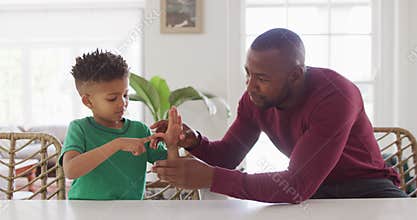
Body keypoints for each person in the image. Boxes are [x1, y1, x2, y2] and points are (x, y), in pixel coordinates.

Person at [151, 28, 408, 203]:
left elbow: (296, 185)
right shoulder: (256, 98)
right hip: (313, 194)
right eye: (248, 73)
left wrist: (210, 177)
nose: (250, 85)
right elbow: (228, 156)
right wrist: (193, 140)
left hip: (367, 190)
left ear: (295, 75)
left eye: (261, 78)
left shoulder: (336, 95)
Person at [59, 49, 181, 200]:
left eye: (125, 95)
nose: (122, 103)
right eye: (112, 98)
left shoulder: (140, 130)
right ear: (88, 101)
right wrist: (116, 144)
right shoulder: (79, 129)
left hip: (129, 211)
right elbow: (71, 170)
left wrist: (172, 145)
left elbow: (173, 170)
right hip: (85, 210)